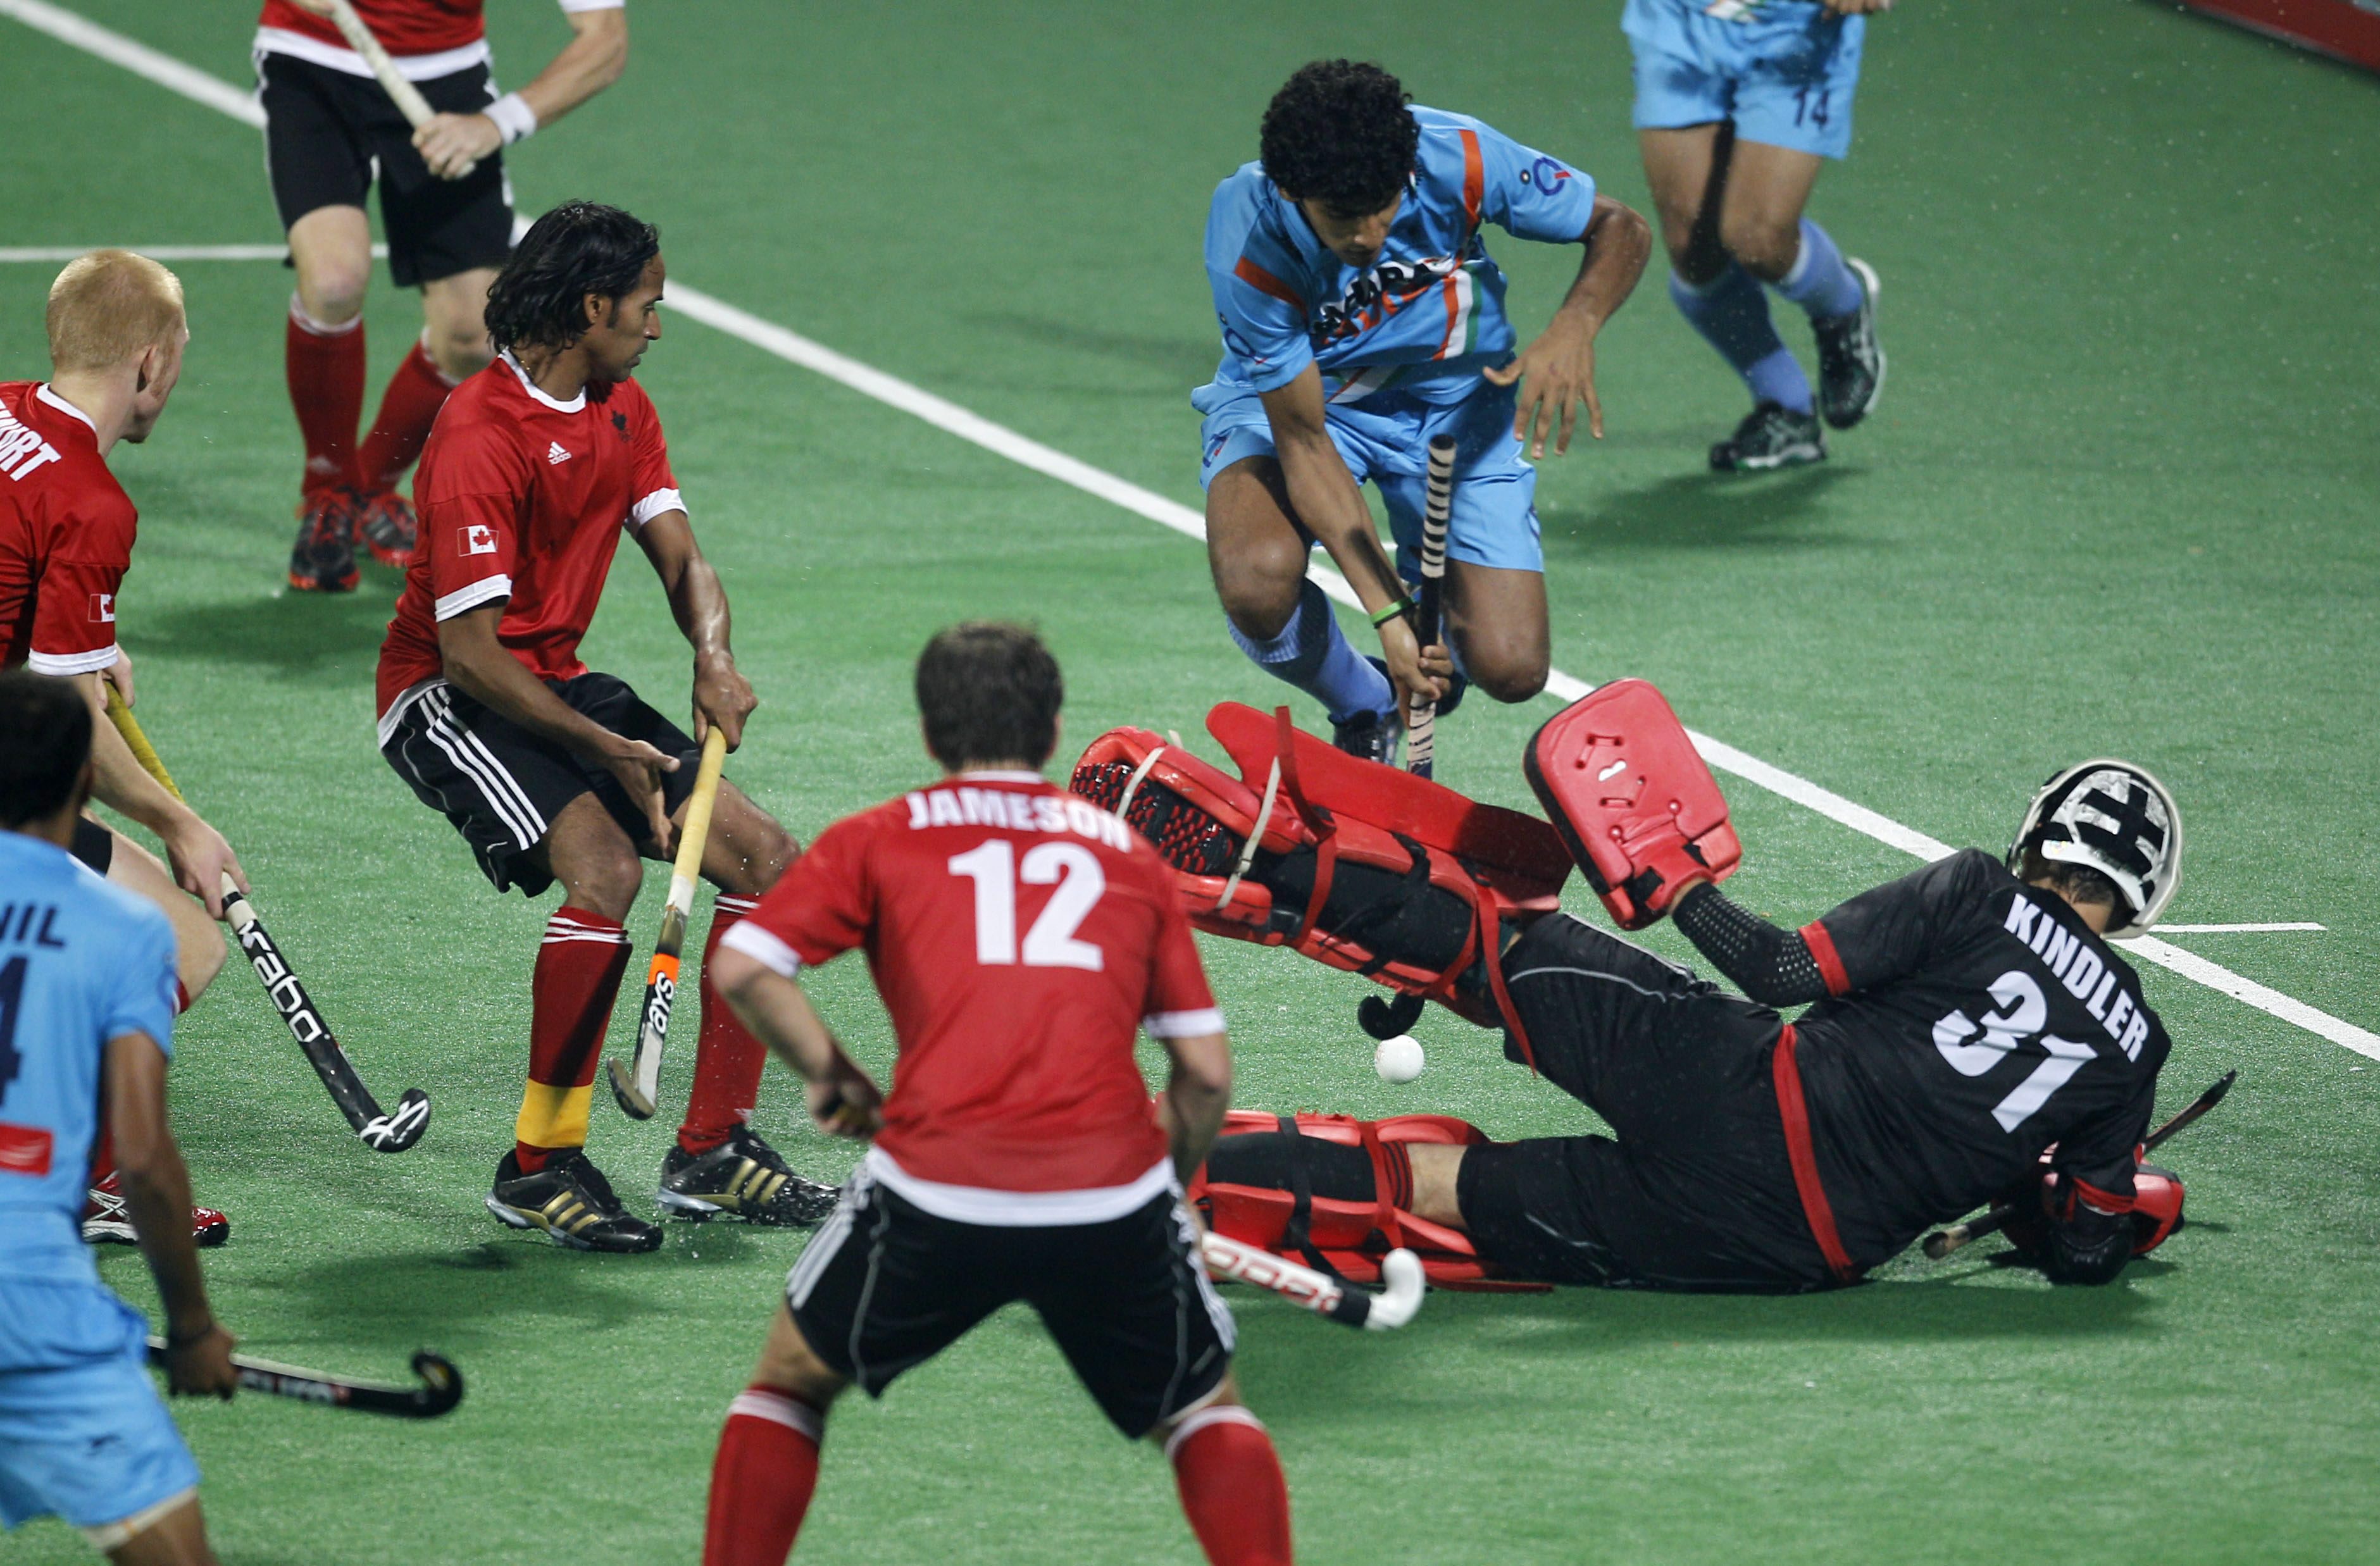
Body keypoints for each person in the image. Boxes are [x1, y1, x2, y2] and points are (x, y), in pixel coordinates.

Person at [1118, 716, 2183, 1291]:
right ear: (2137, 909)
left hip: (1744, 1088)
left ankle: (1239, 858)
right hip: (1788, 1247)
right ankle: (1127, 1189)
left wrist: (1682, 891)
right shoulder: (2135, 1052)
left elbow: (1781, 975)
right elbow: (2089, 1254)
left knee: (1494, 943)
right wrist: (2044, 1204)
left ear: (2036, 837)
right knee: (1431, 1186)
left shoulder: (1977, 890)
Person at [698, 625, 1292, 1566]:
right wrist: (1163, 1193)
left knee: (792, 1379)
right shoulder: (1126, 856)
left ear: (933, 735)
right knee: (1199, 1411)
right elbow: (1207, 1074)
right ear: (1053, 732)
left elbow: (745, 962)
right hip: (1109, 1194)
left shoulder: (879, 838)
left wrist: (833, 1072)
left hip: (936, 1189)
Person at [375, 201, 830, 1252]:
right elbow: (472, 653)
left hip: (558, 680)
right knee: (607, 872)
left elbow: (681, 556)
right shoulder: (480, 433)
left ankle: (712, 1152)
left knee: (765, 861)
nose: (656, 327)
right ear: (591, 306)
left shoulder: (622, 407)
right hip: (446, 698)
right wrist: (609, 753)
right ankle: (539, 1165)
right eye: (647, 305)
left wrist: (712, 656)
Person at [1198, 60, 1650, 761]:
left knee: (1512, 667)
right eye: (1342, 218)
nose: (1370, 234)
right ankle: (1364, 704)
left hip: (1454, 404)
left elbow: (1620, 226)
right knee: (1255, 578)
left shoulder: (1459, 157)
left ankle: (1445, 647)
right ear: (1292, 191)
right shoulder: (1249, 237)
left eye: (1384, 205)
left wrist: (1574, 327)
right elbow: (1304, 441)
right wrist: (1387, 614)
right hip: (1315, 406)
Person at [0, 250, 242, 1248]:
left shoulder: (10, 408)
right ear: (151, 363)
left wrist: (88, 644)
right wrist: (180, 820)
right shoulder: (94, 501)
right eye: (177, 360)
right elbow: (71, 734)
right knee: (177, 942)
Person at [257, 0, 632, 591]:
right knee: (334, 281)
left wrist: (494, 123)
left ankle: (370, 485)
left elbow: (605, 41)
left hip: (446, 77)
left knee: (471, 334)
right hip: (315, 59)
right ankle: (327, 489)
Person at [0, 671, 241, 1565]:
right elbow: (141, 1158)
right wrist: (189, 1326)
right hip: (35, 1299)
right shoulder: (123, 931)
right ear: (85, 786)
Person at [1626, 0, 1891, 471]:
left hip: (1796, 31)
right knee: (1693, 249)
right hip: (1679, 21)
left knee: (1756, 239)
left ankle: (1841, 308)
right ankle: (1786, 408)